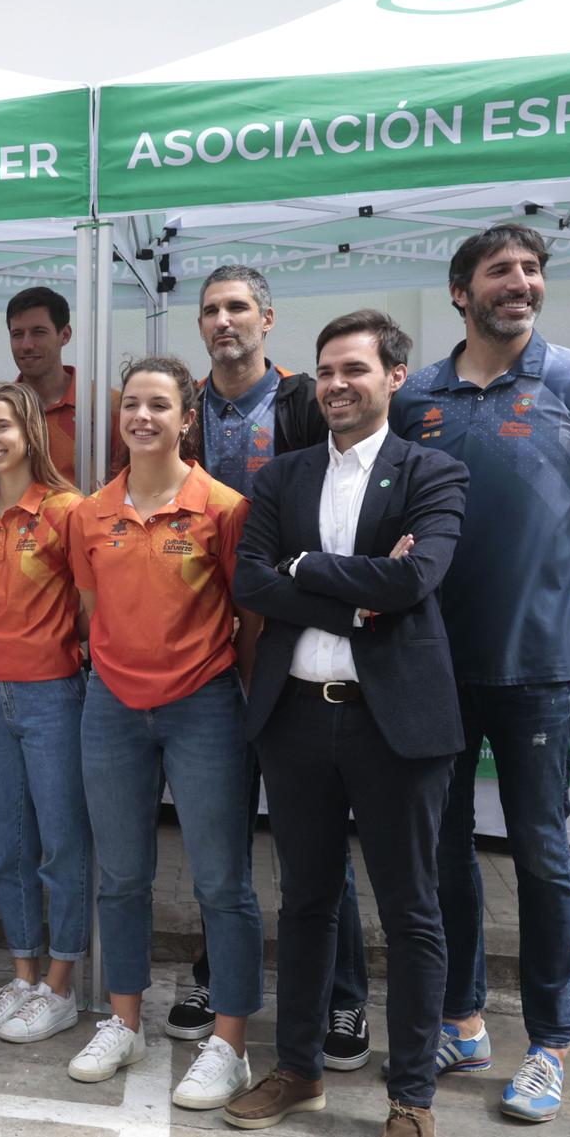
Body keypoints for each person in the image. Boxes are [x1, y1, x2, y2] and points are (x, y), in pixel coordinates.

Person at [392, 222, 570, 1123]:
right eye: (501, 271)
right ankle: (463, 1016)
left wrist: (552, 598)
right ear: (461, 290)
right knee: (443, 849)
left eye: (532, 270)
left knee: (541, 855)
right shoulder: (414, 393)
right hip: (433, 664)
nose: (522, 283)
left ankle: (549, 1044)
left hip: (538, 665)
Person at [229, 310, 469, 1137]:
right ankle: (298, 1068)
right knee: (306, 901)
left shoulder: (432, 471)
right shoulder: (282, 476)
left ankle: (411, 1098)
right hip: (294, 714)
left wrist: (306, 571)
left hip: (393, 720)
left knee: (410, 913)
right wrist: (351, 595)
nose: (336, 384)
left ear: (394, 376)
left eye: (355, 369)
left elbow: (415, 577)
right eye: (327, 370)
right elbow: (250, 577)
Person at [182, 264, 372, 1070]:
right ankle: (213, 972)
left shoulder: (301, 400)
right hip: (204, 643)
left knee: (313, 837)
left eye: (237, 308)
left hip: (290, 636)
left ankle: (344, 994)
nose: (224, 322)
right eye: (210, 310)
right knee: (216, 830)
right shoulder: (186, 405)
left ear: (266, 317)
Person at [69, 356, 261, 1101]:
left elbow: (249, 617)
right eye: (130, 406)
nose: (141, 417)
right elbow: (95, 614)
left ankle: (230, 1042)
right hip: (112, 704)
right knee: (119, 877)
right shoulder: (91, 513)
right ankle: (124, 1021)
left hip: (205, 703)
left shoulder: (225, 507)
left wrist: (225, 689)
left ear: (188, 418)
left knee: (223, 881)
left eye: (159, 405)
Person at [0, 381, 91, 1046]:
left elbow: (96, 608)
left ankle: (60, 986)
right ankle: (23, 973)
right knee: (7, 847)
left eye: (3, 425)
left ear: (30, 429)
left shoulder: (67, 509)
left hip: (52, 693)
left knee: (61, 845)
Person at [6, 285, 123, 485]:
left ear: (65, 335)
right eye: (17, 334)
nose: (26, 344)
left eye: (38, 332)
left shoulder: (108, 406)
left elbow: (126, 486)